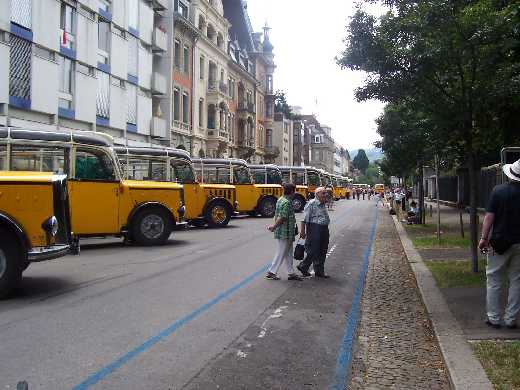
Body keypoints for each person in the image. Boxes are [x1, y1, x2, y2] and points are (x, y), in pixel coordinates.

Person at [479, 159, 520, 329]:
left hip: (499, 242)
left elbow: (489, 217)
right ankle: (511, 319)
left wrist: (483, 238)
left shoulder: (498, 191)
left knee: (494, 279)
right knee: (516, 281)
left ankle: (494, 318)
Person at [266, 183, 303, 281]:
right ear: (291, 191)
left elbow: (278, 215)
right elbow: (282, 217)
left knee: (288, 252)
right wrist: (274, 226)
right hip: (285, 231)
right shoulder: (286, 202)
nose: (295, 193)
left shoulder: (280, 199)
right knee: (281, 252)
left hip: (285, 231)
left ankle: (291, 272)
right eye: (294, 191)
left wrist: (275, 226)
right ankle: (271, 271)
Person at [297, 187, 331, 278]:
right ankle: (303, 266)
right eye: (323, 193)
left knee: (323, 249)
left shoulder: (323, 203)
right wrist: (303, 231)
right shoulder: (311, 203)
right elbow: (303, 219)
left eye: (325, 193)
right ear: (317, 194)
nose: (325, 195)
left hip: (324, 228)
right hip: (314, 228)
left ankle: (319, 271)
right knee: (313, 249)